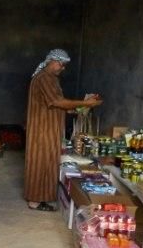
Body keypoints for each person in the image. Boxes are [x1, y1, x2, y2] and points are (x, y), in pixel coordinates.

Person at [25, 49, 103, 211]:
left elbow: (56, 104)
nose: (63, 68)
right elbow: (57, 102)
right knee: (40, 163)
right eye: (61, 64)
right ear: (52, 61)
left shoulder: (50, 78)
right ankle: (35, 200)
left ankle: (40, 198)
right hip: (43, 129)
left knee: (47, 163)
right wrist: (86, 104)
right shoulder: (44, 78)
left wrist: (76, 109)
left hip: (48, 128)